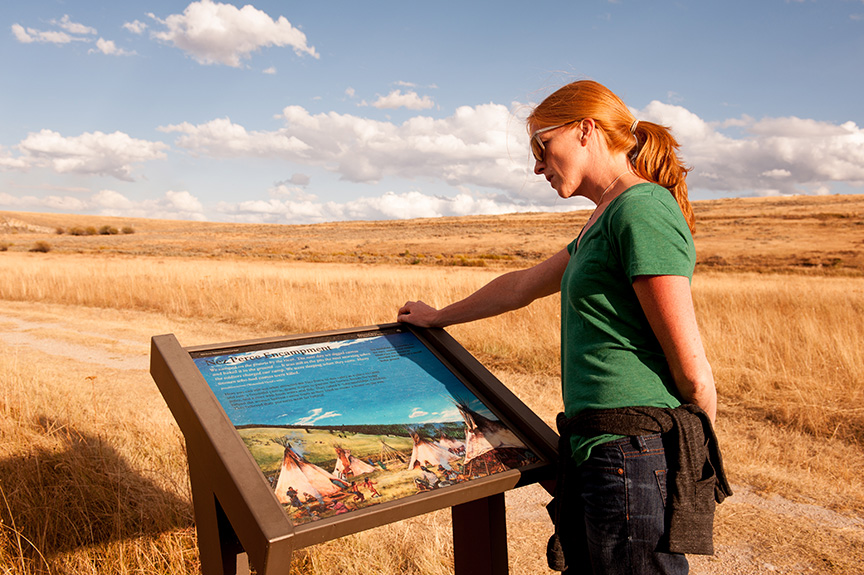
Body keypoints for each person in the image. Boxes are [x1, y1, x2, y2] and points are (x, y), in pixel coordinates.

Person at [398, 80, 729, 575]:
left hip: (632, 452)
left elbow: (692, 366)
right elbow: (521, 286)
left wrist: (690, 449)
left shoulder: (643, 209)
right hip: (604, 450)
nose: (537, 165)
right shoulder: (604, 218)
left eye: (541, 146)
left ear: (585, 130)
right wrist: (437, 316)